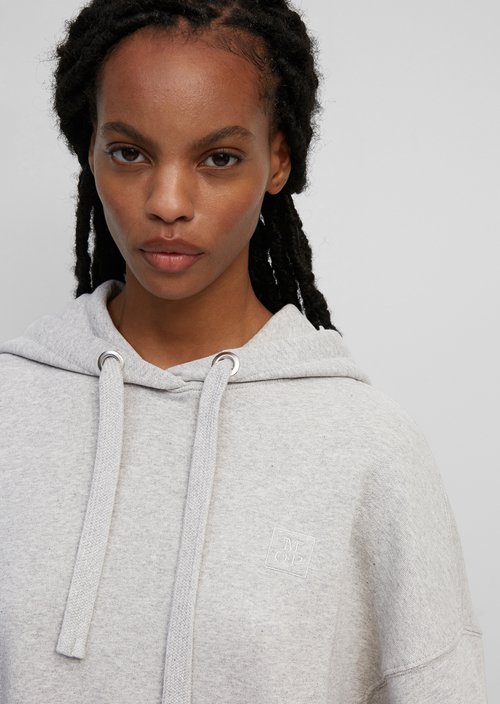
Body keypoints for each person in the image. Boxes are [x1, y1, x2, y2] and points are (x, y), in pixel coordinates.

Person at [0, 0, 488, 702]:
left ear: (277, 160)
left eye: (219, 158)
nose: (168, 201)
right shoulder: (12, 406)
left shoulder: (367, 447)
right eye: (130, 152)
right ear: (90, 150)